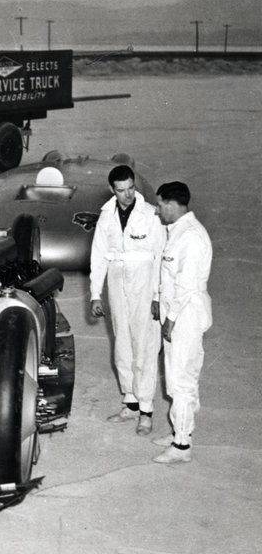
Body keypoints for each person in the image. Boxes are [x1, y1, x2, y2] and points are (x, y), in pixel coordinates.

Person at [89, 164, 165, 435]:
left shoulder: (151, 214)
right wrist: (95, 293)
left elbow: (160, 257)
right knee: (122, 343)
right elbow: (98, 254)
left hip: (144, 284)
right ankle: (130, 402)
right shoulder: (106, 215)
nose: (128, 194)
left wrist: (158, 295)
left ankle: (146, 409)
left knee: (144, 344)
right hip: (116, 282)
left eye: (131, 188)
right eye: (121, 190)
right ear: (113, 190)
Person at [150, 181, 213, 465]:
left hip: (184, 316)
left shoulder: (191, 237)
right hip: (176, 313)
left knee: (181, 381)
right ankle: (180, 428)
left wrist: (170, 320)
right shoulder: (177, 232)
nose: (159, 209)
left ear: (172, 205)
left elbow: (186, 286)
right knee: (178, 376)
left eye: (161, 204)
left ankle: (182, 446)